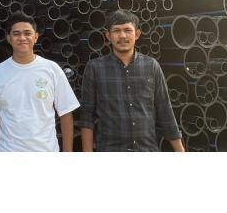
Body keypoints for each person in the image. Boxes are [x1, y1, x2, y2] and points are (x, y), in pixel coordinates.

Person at [79, 9, 184, 152]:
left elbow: (165, 110)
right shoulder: (95, 68)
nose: (122, 35)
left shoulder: (151, 66)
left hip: (146, 150)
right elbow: (87, 116)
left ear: (137, 34)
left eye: (128, 30)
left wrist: (180, 151)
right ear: (108, 36)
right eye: (116, 31)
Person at [0, 14, 79, 152]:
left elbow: (66, 113)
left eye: (27, 33)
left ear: (36, 37)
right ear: (9, 38)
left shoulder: (52, 70)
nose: (22, 38)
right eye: (16, 34)